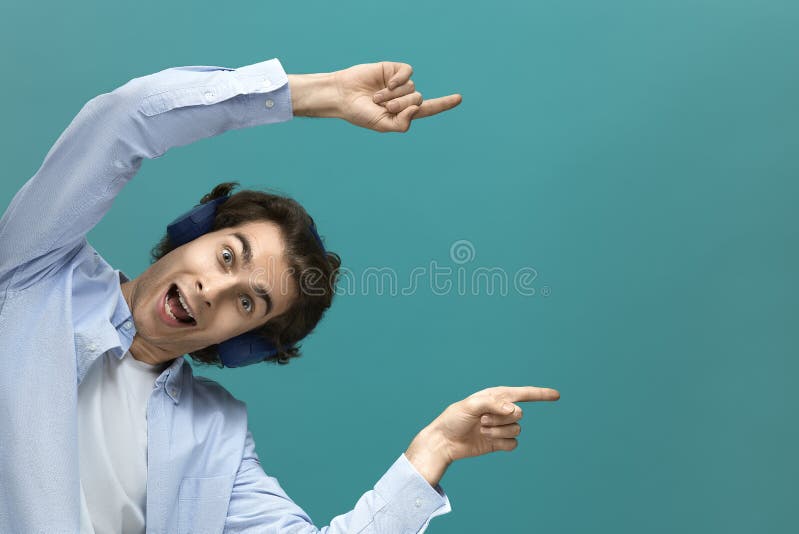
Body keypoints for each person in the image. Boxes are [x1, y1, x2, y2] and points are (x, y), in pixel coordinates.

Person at [0, 57, 561, 533]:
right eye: (227, 257)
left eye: (248, 303)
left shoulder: (214, 435)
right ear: (193, 231)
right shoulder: (40, 269)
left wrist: (430, 452)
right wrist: (319, 94)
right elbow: (127, 118)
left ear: (245, 342)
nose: (215, 290)